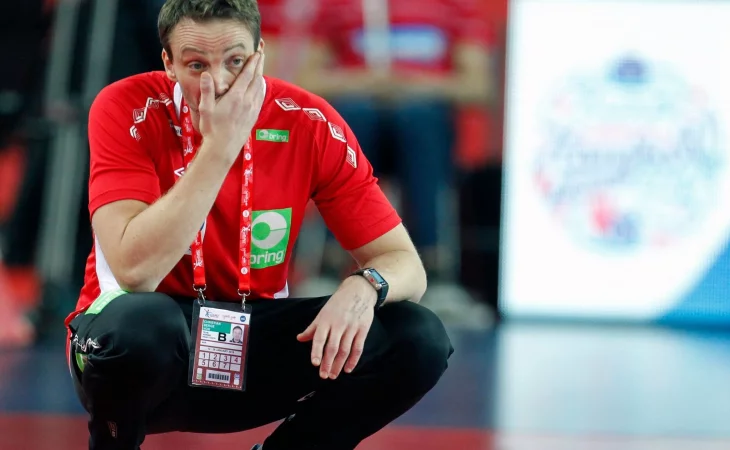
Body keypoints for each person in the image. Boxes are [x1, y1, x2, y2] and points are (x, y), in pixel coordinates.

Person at [63, 1, 453, 449]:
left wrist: (364, 287)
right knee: (140, 323)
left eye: (236, 61)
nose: (221, 82)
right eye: (196, 65)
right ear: (167, 63)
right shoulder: (126, 106)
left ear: (260, 54)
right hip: (142, 351)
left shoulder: (308, 120)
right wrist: (219, 148)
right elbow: (135, 272)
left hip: (251, 342)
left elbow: (405, 264)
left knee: (416, 335)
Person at [294, 0, 494, 282]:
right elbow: (307, 81)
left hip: (423, 128)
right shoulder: (340, 6)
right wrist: (367, 82)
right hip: (362, 124)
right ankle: (330, 265)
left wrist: (409, 84)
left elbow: (477, 87)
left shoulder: (456, 7)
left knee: (417, 118)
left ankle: (435, 268)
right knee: (354, 116)